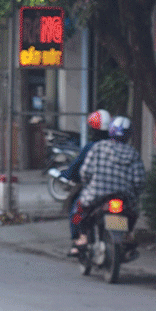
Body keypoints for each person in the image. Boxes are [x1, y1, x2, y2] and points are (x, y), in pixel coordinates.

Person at [71, 115, 146, 252]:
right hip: (124, 198)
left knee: (78, 210)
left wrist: (88, 182)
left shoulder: (98, 147)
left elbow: (85, 172)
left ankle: (82, 237)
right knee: (133, 212)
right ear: (128, 135)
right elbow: (139, 181)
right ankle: (127, 234)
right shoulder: (133, 153)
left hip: (96, 196)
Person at [64, 109, 110, 254]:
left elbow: (79, 168)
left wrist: (67, 175)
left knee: (77, 211)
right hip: (119, 193)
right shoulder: (119, 147)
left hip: (95, 192)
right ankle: (124, 235)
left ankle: (80, 238)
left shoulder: (91, 148)